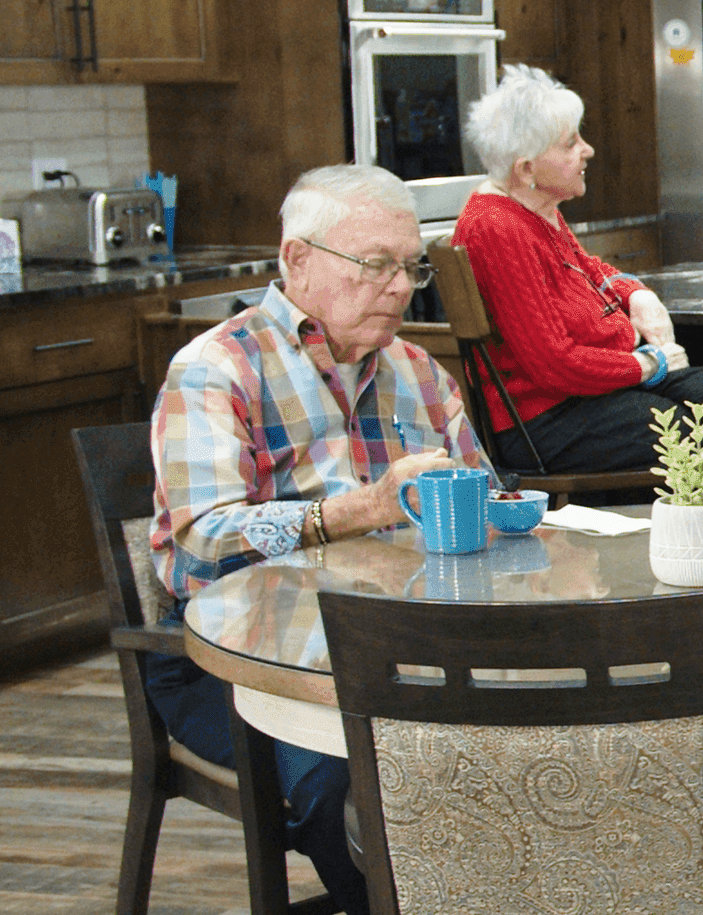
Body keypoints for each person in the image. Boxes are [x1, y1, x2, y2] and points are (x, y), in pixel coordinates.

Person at [148, 164, 492, 915]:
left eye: (411, 267)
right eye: (377, 265)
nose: (401, 287)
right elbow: (198, 549)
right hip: (244, 663)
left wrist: (507, 515)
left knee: (526, 744)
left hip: (402, 644)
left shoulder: (418, 373)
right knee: (363, 786)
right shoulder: (214, 370)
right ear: (296, 260)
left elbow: (483, 502)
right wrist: (355, 511)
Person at [453, 63, 703, 479]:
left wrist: (637, 293)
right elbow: (553, 363)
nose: (587, 150)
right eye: (570, 143)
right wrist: (649, 365)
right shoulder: (497, 227)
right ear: (526, 169)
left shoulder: (537, 208)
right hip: (547, 422)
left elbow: (591, 271)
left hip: (599, 390)